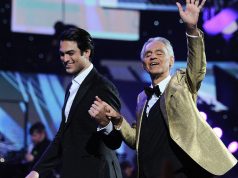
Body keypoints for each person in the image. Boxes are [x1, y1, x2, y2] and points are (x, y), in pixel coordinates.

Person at [88, 0, 237, 177]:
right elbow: (138, 140)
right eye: (148, 54)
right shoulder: (142, 98)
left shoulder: (182, 83)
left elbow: (197, 65)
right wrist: (118, 119)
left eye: (159, 53)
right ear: (144, 65)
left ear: (171, 61)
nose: (153, 57)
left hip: (182, 172)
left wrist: (191, 29)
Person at [26, 27, 123, 178]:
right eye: (62, 54)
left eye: (70, 53)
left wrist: (106, 124)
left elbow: (116, 141)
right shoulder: (72, 87)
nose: (65, 59)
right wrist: (37, 171)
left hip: (98, 173)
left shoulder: (103, 87)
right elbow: (63, 135)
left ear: (87, 52)